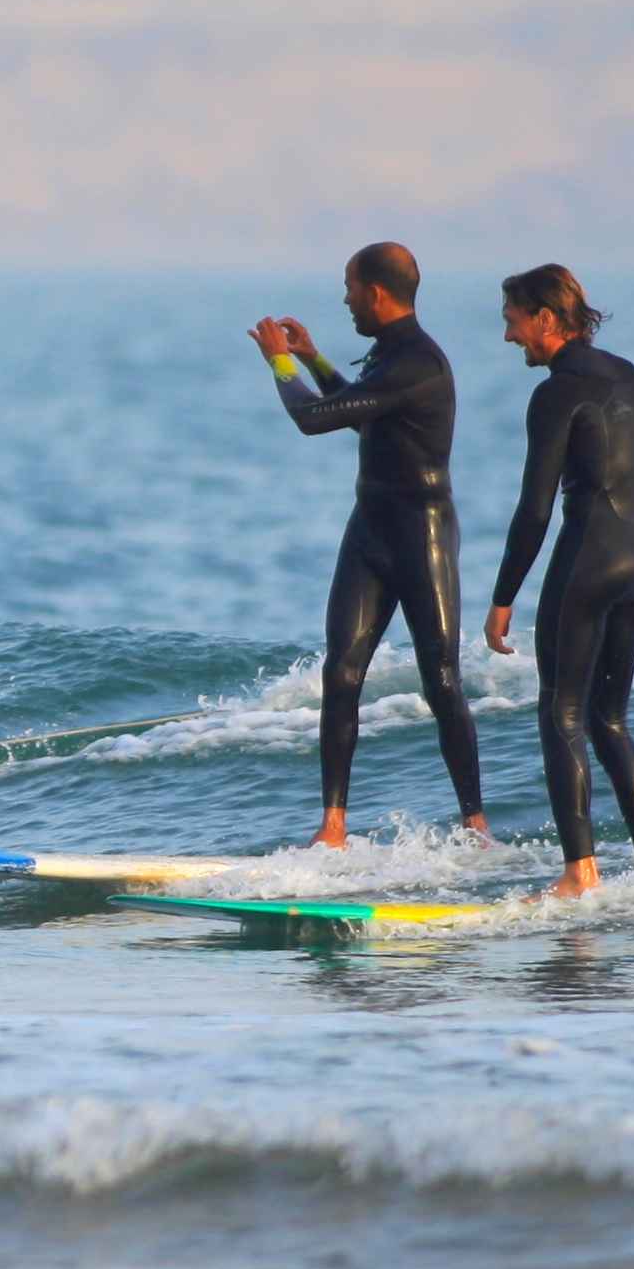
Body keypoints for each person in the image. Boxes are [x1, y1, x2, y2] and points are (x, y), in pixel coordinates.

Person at [247, 244, 489, 850]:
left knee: (441, 680)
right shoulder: (391, 355)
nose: (345, 299)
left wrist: (280, 365)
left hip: (422, 534)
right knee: (342, 672)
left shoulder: (420, 363)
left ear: (378, 293)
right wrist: (314, 357)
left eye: (350, 287)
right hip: (370, 532)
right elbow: (363, 410)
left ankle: (475, 825)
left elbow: (315, 418)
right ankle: (333, 827)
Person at [481, 262, 634, 895]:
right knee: (610, 718)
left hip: (589, 556)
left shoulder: (555, 393)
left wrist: (503, 596)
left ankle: (579, 872)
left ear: (545, 319)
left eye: (513, 322)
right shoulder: (630, 376)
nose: (509, 338)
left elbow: (535, 508)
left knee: (559, 710)